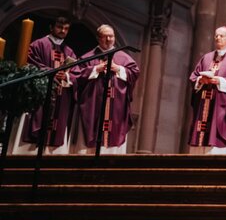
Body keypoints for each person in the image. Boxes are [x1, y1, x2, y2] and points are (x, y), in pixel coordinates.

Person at [72, 24, 140, 154]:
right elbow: (77, 75)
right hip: (92, 107)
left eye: (111, 36)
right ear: (98, 38)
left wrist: (118, 68)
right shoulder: (89, 57)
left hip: (116, 109)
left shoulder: (123, 57)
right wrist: (96, 69)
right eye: (105, 37)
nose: (109, 39)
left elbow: (135, 73)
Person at [17, 16, 76, 154]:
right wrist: (53, 73)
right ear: (51, 27)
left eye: (66, 28)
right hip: (41, 95)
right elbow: (31, 65)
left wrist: (66, 76)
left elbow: (76, 73)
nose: (63, 31)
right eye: (59, 27)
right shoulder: (38, 44)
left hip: (60, 98)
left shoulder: (69, 51)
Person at [188, 26, 226, 154]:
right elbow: (194, 76)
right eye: (216, 36)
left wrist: (219, 81)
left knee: (217, 152)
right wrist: (200, 81)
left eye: (222, 36)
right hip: (204, 107)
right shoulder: (206, 57)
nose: (218, 38)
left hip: (223, 109)